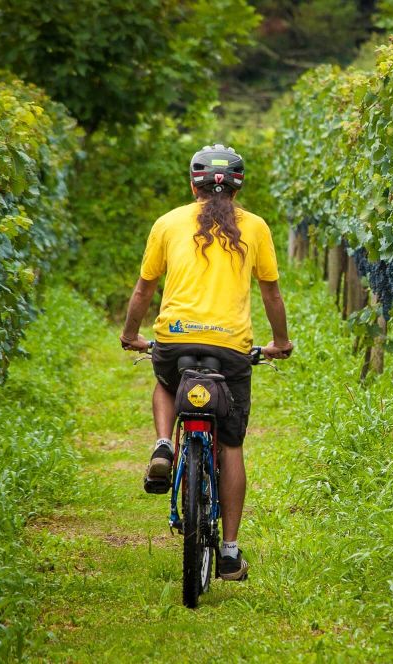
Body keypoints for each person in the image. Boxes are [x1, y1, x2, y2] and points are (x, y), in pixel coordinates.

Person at [119, 144, 293, 582]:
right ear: (239, 185)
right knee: (231, 445)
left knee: (164, 377)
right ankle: (230, 553)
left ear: (192, 182)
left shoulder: (168, 223)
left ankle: (164, 443)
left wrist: (130, 335)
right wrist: (281, 342)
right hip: (231, 350)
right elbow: (271, 294)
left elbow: (143, 291)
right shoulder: (254, 228)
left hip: (174, 340)